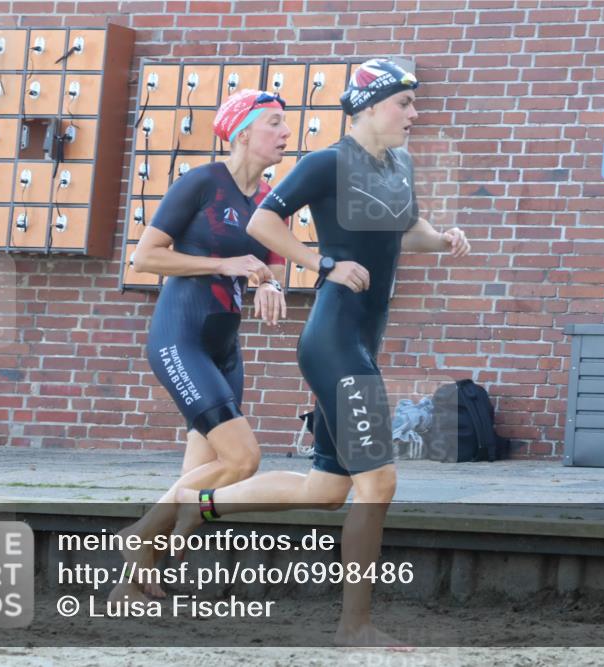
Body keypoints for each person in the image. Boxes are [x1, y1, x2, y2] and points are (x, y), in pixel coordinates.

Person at [172, 59, 471, 646]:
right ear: (367, 108)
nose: (415, 114)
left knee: (328, 490)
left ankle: (199, 504)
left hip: (362, 338)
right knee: (378, 484)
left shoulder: (396, 165)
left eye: (414, 104)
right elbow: (263, 222)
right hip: (335, 342)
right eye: (404, 104)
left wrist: (442, 239)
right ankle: (353, 627)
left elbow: (403, 229)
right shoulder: (327, 162)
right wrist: (324, 264)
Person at [109, 90, 291, 603]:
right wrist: (223, 265)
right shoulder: (203, 183)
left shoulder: (268, 201)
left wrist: (270, 284)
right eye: (274, 123)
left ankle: (131, 584)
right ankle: (139, 536)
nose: (284, 133)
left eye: (284, 123)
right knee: (243, 460)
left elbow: (271, 261)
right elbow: (146, 257)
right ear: (241, 132)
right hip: (181, 339)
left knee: (199, 478)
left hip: (224, 349)